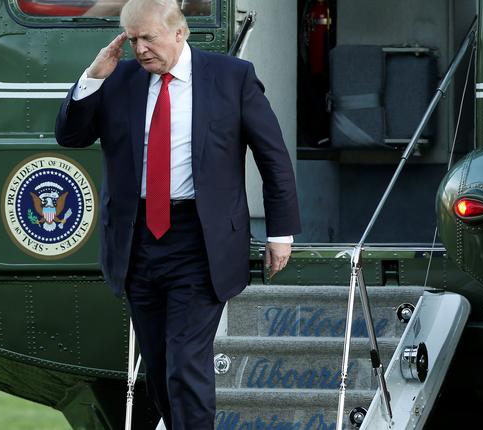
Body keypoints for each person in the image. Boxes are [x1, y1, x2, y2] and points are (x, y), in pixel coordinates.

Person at [55, 0, 301, 427]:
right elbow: (70, 135)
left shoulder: (231, 77)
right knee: (161, 369)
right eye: (132, 39)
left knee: (186, 363)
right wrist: (93, 77)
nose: (140, 49)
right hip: (138, 242)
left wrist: (281, 232)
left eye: (148, 37)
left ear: (179, 32)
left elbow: (273, 157)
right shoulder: (119, 79)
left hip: (199, 240)